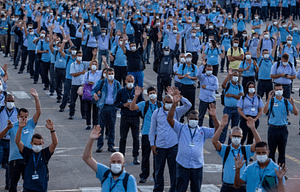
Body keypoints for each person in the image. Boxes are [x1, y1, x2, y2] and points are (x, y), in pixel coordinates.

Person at [167, 99, 220, 192]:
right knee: (180, 189)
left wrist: (214, 117)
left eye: (195, 119)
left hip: (197, 166)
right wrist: (174, 104)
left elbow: (217, 130)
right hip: (183, 164)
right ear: (187, 119)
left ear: (198, 120)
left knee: (196, 189)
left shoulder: (203, 131)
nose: (193, 121)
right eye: (191, 119)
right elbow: (170, 119)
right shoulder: (181, 128)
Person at [149, 87, 192, 192]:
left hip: (173, 146)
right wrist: (152, 144)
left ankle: (174, 189)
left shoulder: (177, 111)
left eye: (170, 102)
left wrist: (180, 98)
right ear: (163, 102)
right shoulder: (157, 113)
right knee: (159, 171)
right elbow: (152, 129)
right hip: (160, 146)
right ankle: (158, 189)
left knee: (174, 171)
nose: (168, 104)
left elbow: (188, 105)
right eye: (167, 102)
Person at [0, 88, 41, 192]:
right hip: (14, 160)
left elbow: (38, 112)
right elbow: (1, 136)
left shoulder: (31, 124)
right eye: (22, 117)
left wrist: (36, 97)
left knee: (28, 184)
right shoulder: (13, 126)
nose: (24, 119)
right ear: (18, 116)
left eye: (26, 117)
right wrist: (7, 128)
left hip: (28, 159)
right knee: (12, 185)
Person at [82, 125, 137, 192]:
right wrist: (91, 140)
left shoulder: (129, 179)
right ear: (110, 163)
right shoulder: (105, 173)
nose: (116, 164)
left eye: (119, 162)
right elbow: (87, 158)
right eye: (113, 161)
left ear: (123, 163)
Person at [212, 117, 261, 192]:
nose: (236, 138)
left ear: (241, 137)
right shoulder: (225, 149)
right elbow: (214, 141)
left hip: (241, 186)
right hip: (226, 186)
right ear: (230, 136)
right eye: (234, 136)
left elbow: (259, 144)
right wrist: (221, 126)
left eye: (238, 136)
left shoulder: (246, 150)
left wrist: (253, 128)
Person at [130, 86, 163, 183]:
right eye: (150, 93)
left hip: (158, 133)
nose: (152, 94)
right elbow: (132, 107)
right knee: (145, 155)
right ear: (148, 95)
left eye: (154, 92)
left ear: (156, 93)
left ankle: (156, 175)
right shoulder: (144, 104)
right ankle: (144, 175)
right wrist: (136, 96)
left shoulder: (161, 104)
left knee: (157, 156)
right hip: (146, 133)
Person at [15, 118, 58, 192]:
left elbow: (55, 143)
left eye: (39, 144)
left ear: (42, 144)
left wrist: (52, 130)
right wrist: (20, 128)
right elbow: (17, 141)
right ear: (31, 143)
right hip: (28, 188)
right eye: (35, 144)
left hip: (42, 189)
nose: (37, 146)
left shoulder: (45, 153)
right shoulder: (27, 152)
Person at [263, 84, 298, 164]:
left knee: (282, 152)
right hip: (273, 128)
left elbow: (296, 113)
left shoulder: (286, 101)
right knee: (271, 152)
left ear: (283, 90)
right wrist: (268, 99)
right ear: (274, 91)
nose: (279, 91)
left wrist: (293, 104)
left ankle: (281, 172)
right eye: (277, 89)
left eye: (280, 89)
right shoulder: (271, 101)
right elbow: (264, 111)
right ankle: (272, 172)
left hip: (283, 129)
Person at [115, 75, 144, 164]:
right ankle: (121, 156)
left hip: (135, 117)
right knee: (123, 138)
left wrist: (135, 105)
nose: (130, 83)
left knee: (136, 138)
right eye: (129, 81)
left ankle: (135, 156)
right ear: (125, 81)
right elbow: (116, 103)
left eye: (132, 81)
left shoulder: (137, 92)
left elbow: (142, 102)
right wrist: (123, 105)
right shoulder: (121, 92)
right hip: (125, 116)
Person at [92, 68, 121, 153]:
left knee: (111, 127)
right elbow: (93, 89)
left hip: (113, 107)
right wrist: (95, 94)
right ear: (106, 75)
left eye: (112, 73)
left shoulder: (117, 84)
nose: (111, 75)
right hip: (103, 106)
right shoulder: (102, 82)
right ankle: (99, 145)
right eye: (109, 73)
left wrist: (118, 106)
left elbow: (120, 94)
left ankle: (110, 145)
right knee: (101, 126)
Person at [0, 94, 18, 190]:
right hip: (1, 140)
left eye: (12, 101)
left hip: (12, 142)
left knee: (9, 166)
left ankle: (8, 184)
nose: (10, 103)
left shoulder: (17, 111)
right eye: (8, 101)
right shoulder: (1, 110)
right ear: (5, 101)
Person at [220, 69, 244, 144]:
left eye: (237, 76)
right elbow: (223, 85)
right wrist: (228, 75)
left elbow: (240, 97)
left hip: (237, 109)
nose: (235, 77)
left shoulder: (240, 87)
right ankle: (221, 142)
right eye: (234, 75)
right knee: (224, 126)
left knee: (234, 127)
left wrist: (230, 95)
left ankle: (231, 143)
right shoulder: (228, 85)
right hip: (228, 109)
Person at [69, 50, 93, 120]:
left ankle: (84, 114)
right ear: (76, 56)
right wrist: (82, 72)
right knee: (73, 100)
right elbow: (73, 74)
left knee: (83, 101)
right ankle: (71, 113)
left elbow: (91, 63)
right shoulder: (73, 64)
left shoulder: (83, 64)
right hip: (75, 85)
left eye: (81, 56)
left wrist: (94, 55)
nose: (80, 57)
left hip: (82, 85)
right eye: (79, 56)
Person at [155, 32, 179, 101]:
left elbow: (175, 50)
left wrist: (177, 41)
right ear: (163, 51)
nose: (166, 51)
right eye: (165, 50)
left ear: (169, 50)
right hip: (160, 76)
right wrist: (159, 40)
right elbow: (157, 49)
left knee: (168, 92)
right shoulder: (161, 56)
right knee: (159, 92)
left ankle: (167, 103)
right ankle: (159, 104)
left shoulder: (171, 56)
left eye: (167, 50)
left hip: (168, 77)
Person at [82, 60, 103, 130]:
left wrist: (105, 62)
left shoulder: (100, 73)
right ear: (90, 66)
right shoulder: (87, 74)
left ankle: (95, 124)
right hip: (88, 93)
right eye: (93, 64)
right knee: (88, 109)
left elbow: (107, 71)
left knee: (96, 110)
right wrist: (88, 83)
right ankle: (88, 124)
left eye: (95, 64)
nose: (94, 65)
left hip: (96, 94)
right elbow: (83, 84)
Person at [197, 61, 219, 128]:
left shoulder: (214, 78)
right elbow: (198, 75)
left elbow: (216, 87)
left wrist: (206, 87)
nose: (209, 71)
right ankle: (199, 128)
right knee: (201, 116)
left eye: (210, 70)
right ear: (205, 70)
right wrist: (202, 66)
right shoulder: (202, 77)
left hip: (211, 99)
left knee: (212, 117)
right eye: (208, 69)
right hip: (203, 99)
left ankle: (211, 130)